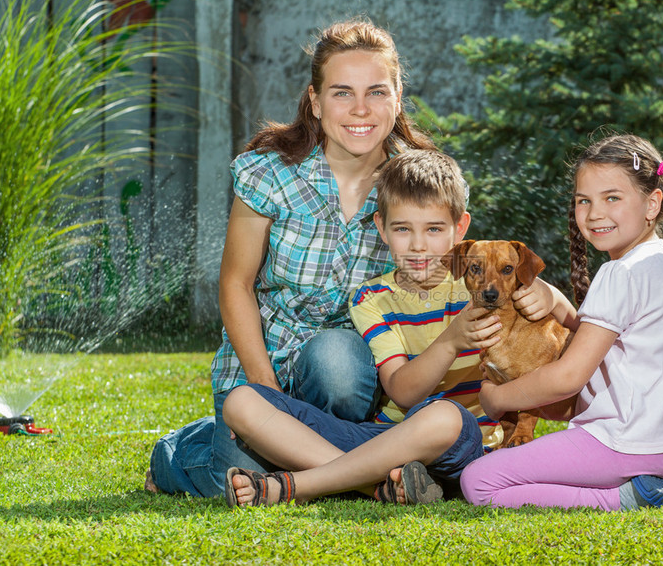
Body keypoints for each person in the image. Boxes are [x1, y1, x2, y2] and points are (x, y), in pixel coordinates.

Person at [146, 18, 436, 497]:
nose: (361, 109)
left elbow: (449, 275)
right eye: (342, 93)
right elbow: (235, 284)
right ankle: (180, 452)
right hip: (263, 362)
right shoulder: (270, 174)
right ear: (316, 102)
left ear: (398, 96)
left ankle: (328, 468)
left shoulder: (415, 181)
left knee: (337, 360)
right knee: (233, 482)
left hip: (354, 371)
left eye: (377, 92)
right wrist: (264, 391)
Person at [221, 149, 519, 506]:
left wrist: (550, 300)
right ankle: (378, 486)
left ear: (460, 227)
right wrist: (451, 340)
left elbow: (550, 305)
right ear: (381, 227)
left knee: (442, 416)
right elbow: (403, 392)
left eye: (435, 229)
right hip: (384, 440)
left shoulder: (481, 284)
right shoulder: (371, 298)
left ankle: (297, 486)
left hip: (459, 444)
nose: (419, 245)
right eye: (402, 229)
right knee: (242, 402)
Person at [460, 134, 663, 511]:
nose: (595, 212)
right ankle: (647, 489)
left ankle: (630, 497)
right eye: (585, 200)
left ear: (653, 203)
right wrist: (557, 301)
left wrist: (496, 397)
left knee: (480, 480)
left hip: (621, 445)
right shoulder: (661, 263)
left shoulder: (621, 273)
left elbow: (568, 377)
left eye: (612, 198)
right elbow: (601, 342)